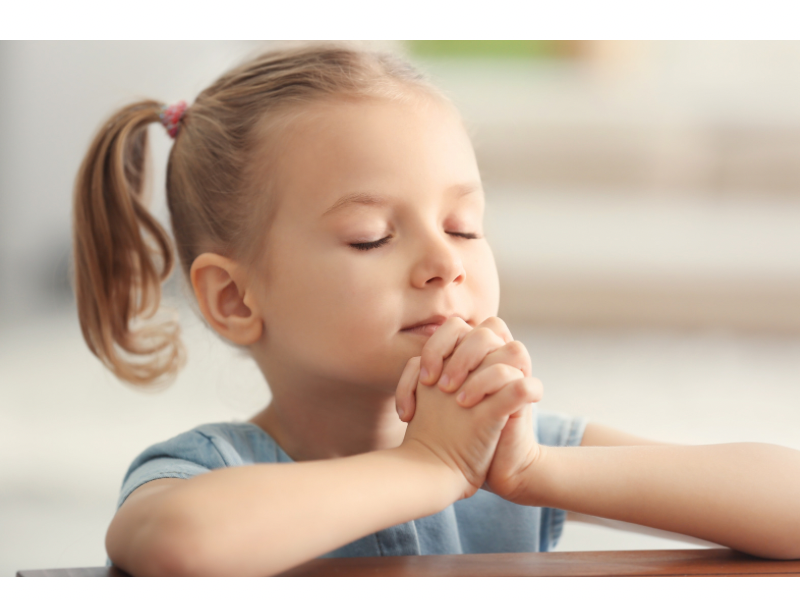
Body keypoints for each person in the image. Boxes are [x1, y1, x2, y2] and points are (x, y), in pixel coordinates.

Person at [72, 43, 800, 577]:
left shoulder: (513, 446)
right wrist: (432, 465)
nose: (445, 263)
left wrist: (539, 471)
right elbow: (179, 547)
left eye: (463, 227)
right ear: (235, 299)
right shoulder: (208, 470)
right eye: (372, 237)